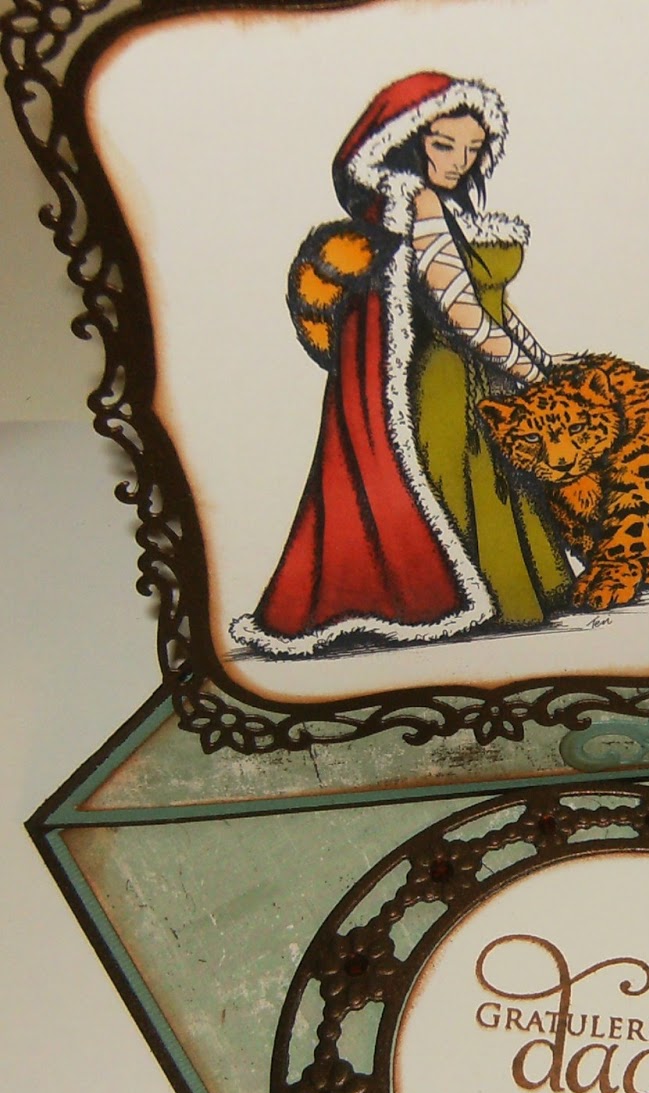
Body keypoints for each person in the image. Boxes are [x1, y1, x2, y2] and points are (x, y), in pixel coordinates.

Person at [231, 72, 572, 658]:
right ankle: (470, 602)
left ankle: (506, 595)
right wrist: (536, 373)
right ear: (409, 141)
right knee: (459, 479)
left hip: (477, 372)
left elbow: (492, 307)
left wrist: (539, 361)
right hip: (443, 381)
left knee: (491, 481)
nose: (459, 161)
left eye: (473, 148)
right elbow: (462, 312)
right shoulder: (418, 202)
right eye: (444, 144)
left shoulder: (443, 206)